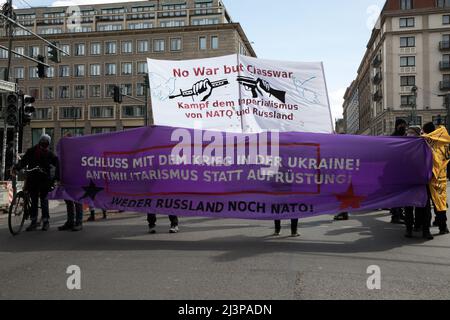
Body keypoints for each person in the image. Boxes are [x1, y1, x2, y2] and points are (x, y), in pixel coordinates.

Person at [12, 134, 59, 232]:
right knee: (34, 201)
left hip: (44, 180)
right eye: (44, 143)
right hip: (33, 179)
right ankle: (34, 221)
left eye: (46, 143)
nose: (44, 145)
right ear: (40, 142)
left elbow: (57, 163)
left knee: (44, 201)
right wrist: (16, 167)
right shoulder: (31, 151)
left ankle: (46, 221)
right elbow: (23, 161)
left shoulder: (49, 153)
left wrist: (57, 176)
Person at [404, 126, 433, 239]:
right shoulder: (403, 146)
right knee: (409, 206)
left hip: (422, 180)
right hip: (408, 180)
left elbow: (431, 159)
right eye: (408, 133)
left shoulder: (425, 144)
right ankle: (409, 229)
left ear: (418, 134)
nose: (409, 135)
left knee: (424, 207)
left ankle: (425, 230)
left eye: (412, 132)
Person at [423, 122, 450, 236]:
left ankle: (426, 228)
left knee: (427, 205)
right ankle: (443, 226)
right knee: (440, 202)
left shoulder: (427, 142)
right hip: (442, 176)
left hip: (429, 176)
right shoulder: (445, 141)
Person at [390, 119, 408, 224]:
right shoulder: (393, 137)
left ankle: (400, 214)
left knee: (400, 194)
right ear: (398, 125)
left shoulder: (404, 137)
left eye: (404, 125)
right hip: (394, 170)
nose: (404, 127)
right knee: (395, 194)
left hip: (402, 170)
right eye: (402, 125)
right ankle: (395, 215)